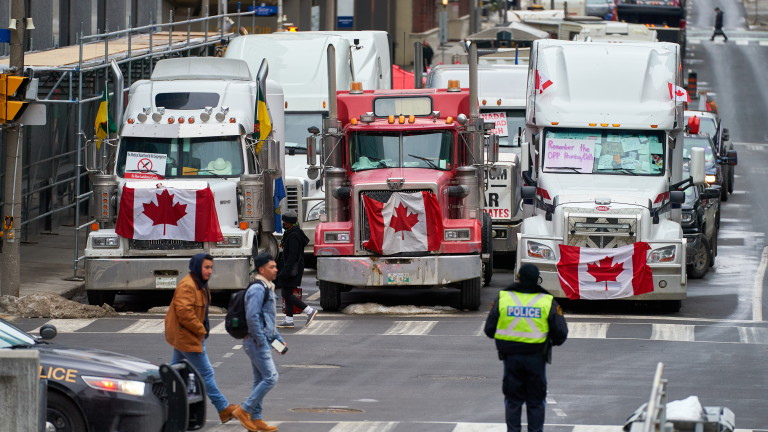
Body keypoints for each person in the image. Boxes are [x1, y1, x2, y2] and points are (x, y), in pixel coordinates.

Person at [484, 264, 568, 432]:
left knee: (513, 401)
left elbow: (489, 330)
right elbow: (561, 333)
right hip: (536, 359)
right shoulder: (547, 300)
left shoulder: (504, 297)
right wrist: (549, 342)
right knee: (536, 402)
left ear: (519, 277)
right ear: (537, 280)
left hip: (511, 359)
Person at [165, 253, 238, 425]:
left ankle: (159, 397)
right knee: (206, 373)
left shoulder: (199, 284)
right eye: (206, 267)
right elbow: (184, 313)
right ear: (197, 267)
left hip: (187, 334)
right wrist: (201, 329)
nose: (209, 271)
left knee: (174, 371)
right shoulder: (188, 285)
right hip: (188, 335)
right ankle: (223, 408)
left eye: (211, 268)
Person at [231, 253, 284, 432]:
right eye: (272, 267)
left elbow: (268, 317)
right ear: (261, 269)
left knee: (260, 379)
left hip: (260, 339)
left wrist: (277, 339)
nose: (275, 270)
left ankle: (256, 418)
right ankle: (244, 410)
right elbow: (252, 316)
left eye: (275, 266)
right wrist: (261, 340)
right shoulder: (258, 289)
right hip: (255, 341)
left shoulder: (267, 286)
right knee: (271, 377)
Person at [276, 209, 317, 328]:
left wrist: (285, 271)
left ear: (289, 222)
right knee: (287, 293)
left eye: (284, 221)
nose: (283, 223)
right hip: (293, 268)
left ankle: (309, 311)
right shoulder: (293, 233)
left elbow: (293, 256)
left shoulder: (294, 235)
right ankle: (289, 320)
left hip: (292, 269)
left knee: (286, 293)